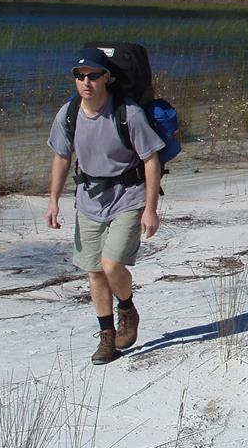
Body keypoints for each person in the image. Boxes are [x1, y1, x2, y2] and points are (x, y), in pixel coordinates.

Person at [45, 48, 164, 364]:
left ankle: (127, 309)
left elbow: (151, 159)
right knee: (95, 272)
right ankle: (107, 338)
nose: (86, 82)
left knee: (111, 265)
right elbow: (61, 157)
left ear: (106, 78)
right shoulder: (69, 114)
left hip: (129, 197)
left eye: (93, 75)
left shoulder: (128, 114)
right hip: (89, 200)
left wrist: (151, 208)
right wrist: (53, 200)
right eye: (80, 75)